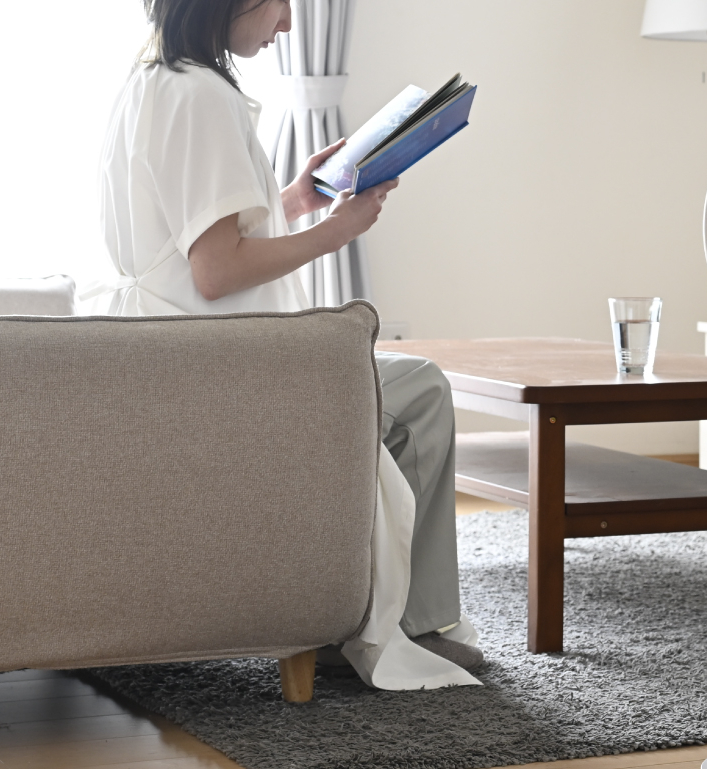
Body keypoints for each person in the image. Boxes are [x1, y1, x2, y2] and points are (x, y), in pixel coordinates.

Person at [89, 0, 482, 677]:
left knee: (405, 384)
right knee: (420, 389)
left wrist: (295, 200)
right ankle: (417, 621)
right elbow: (217, 271)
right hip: (218, 365)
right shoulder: (205, 96)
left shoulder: (152, 80)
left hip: (167, 353)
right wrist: (336, 231)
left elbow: (193, 240)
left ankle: (357, 601)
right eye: (280, 2)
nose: (289, 24)